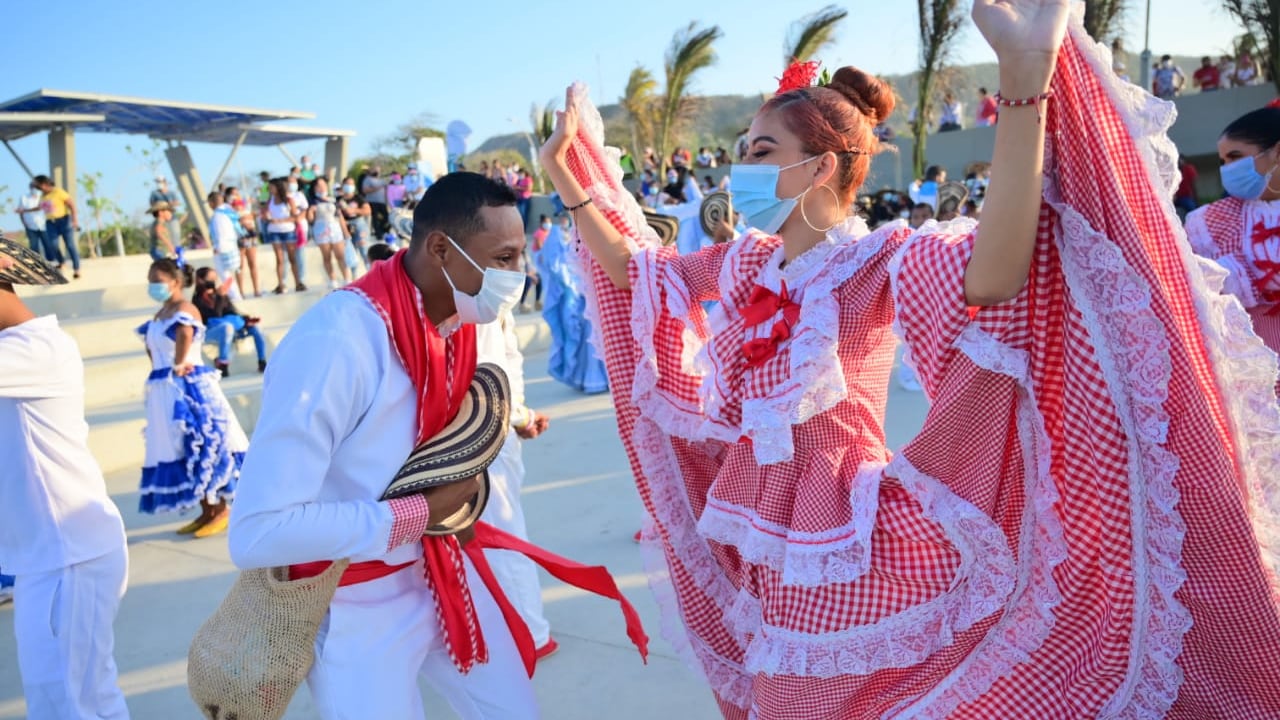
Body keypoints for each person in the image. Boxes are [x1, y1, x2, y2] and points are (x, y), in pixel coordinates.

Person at [539, 1, 1280, 716]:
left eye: (761, 153)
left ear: (823, 168)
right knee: (787, 698)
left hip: (853, 540)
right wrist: (569, 177)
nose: (741, 172)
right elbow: (637, 271)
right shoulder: (742, 264)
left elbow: (993, 276)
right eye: (739, 155)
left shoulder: (873, 261)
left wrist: (1024, 82)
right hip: (766, 540)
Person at [227, 173, 538, 719]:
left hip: (444, 570)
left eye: (519, 257)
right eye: (505, 258)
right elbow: (257, 532)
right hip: (354, 602)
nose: (518, 276)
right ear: (441, 248)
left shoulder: (457, 318)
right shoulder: (337, 341)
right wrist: (418, 514)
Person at [0, 239, 130, 719]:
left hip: (69, 557)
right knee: (64, 703)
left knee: (77, 706)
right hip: (50, 557)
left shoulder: (34, 349)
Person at [138, 258, 248, 538]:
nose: (152, 285)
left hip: (188, 385)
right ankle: (206, 510)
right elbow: (152, 347)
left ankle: (220, 509)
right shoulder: (162, 313)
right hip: (165, 387)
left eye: (157, 279)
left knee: (202, 444)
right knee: (181, 450)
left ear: (175, 282)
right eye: (150, 279)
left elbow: (185, 333)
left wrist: (179, 362)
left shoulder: (185, 309)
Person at [474, 310, 557, 660]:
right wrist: (519, 414)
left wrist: (517, 415)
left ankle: (528, 632)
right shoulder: (476, 282)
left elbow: (479, 375)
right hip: (497, 426)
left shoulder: (468, 289)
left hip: (481, 432)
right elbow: (508, 358)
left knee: (500, 535)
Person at [1187, 101, 1280, 365]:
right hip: (1252, 365)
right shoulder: (1211, 219)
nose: (1227, 168)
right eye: (1223, 161)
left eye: (1236, 157)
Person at [536, 214, 608, 394]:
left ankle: (595, 377)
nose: (565, 227)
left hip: (586, 296)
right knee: (586, 338)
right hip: (577, 299)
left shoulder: (578, 243)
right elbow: (554, 268)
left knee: (593, 338)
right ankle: (591, 378)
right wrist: (573, 287)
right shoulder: (555, 243)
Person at [192, 266, 267, 376]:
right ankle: (223, 363)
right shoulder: (197, 299)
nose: (214, 281)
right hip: (211, 331)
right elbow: (215, 315)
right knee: (227, 327)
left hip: (230, 329)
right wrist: (220, 297)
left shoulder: (219, 294)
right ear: (200, 280)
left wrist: (245, 321)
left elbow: (231, 311)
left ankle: (262, 361)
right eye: (210, 278)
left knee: (255, 328)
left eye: (215, 278)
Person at [261, 178, 306, 294]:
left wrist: (280, 220)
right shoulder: (270, 201)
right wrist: (266, 216)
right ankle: (281, 284)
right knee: (279, 259)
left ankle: (298, 282)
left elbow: (295, 216)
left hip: (288, 230)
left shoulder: (288, 200)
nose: (270, 189)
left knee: (292, 258)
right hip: (274, 231)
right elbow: (264, 214)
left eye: (272, 187)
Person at [32, 175, 79, 280]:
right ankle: (61, 262)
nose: (36, 187)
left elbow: (71, 204)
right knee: (53, 245)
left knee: (70, 245)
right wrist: (24, 211)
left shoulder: (58, 192)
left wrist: (75, 220)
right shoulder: (43, 196)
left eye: (37, 184)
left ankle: (76, 269)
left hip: (63, 221)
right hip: (50, 223)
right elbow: (39, 207)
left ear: (44, 184)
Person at [308, 177, 352, 289]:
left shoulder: (333, 199)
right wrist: (311, 211)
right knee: (327, 256)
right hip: (321, 229)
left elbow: (339, 216)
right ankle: (332, 279)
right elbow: (310, 220)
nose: (321, 187)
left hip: (335, 228)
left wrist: (345, 232)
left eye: (323, 185)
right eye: (318, 185)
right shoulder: (313, 201)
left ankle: (347, 278)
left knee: (340, 255)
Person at [226, 186, 263, 298]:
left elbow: (251, 220)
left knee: (253, 264)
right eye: (233, 194)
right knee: (239, 266)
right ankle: (240, 291)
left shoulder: (246, 210)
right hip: (238, 240)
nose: (236, 195)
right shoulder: (229, 212)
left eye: (237, 193)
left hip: (250, 239)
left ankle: (257, 289)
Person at [207, 191, 243, 299]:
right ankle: (235, 296)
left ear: (212, 202)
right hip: (231, 245)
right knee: (229, 275)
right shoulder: (228, 212)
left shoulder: (218, 216)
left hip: (223, 248)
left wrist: (219, 248)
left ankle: (235, 297)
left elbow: (221, 232)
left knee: (225, 275)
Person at [338, 177, 372, 273]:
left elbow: (368, 211)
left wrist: (354, 210)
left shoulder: (358, 198)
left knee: (364, 250)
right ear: (343, 185)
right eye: (347, 184)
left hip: (359, 224)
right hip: (345, 226)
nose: (349, 186)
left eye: (351, 184)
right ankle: (354, 277)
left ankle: (371, 273)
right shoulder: (338, 200)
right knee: (351, 252)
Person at [150, 176, 184, 247]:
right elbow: (152, 204)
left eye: (160, 182)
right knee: (161, 236)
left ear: (165, 182)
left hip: (172, 218)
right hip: (161, 219)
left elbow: (177, 202)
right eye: (157, 182)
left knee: (175, 235)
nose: (159, 184)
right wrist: (160, 206)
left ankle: (177, 250)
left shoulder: (171, 193)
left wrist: (168, 204)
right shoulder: (154, 193)